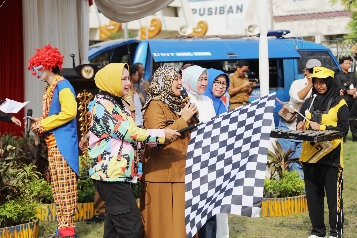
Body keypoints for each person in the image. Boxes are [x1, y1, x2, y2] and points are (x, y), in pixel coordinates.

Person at [87, 63, 179, 238]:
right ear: (110, 81)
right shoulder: (103, 106)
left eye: (128, 78)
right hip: (112, 176)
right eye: (122, 79)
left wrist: (157, 140)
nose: (128, 83)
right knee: (131, 228)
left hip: (117, 174)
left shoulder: (118, 102)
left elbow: (129, 138)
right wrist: (161, 134)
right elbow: (128, 133)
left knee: (114, 229)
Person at [140, 65, 198, 238]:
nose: (180, 83)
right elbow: (156, 138)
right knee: (161, 226)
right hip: (162, 175)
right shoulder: (154, 105)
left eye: (180, 79)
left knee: (183, 226)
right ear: (164, 82)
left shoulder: (179, 104)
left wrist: (191, 117)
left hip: (182, 172)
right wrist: (184, 119)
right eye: (175, 79)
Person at [27, 45, 79, 238]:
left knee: (65, 187)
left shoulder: (63, 85)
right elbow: (56, 114)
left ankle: (68, 231)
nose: (36, 72)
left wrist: (43, 125)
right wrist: (40, 121)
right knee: (58, 188)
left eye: (39, 67)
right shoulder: (51, 87)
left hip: (63, 144)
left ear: (49, 65)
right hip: (54, 143)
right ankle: (63, 228)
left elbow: (69, 113)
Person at [296, 67, 348, 238]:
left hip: (331, 156)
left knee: (334, 198)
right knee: (313, 197)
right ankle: (318, 231)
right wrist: (300, 125)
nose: (319, 86)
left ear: (330, 82)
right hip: (309, 157)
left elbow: (343, 129)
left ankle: (335, 232)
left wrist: (323, 127)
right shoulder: (308, 102)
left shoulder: (340, 103)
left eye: (322, 82)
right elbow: (300, 121)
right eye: (316, 82)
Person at [276, 59, 322, 179]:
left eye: (317, 71)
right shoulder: (297, 83)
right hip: (288, 126)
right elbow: (297, 98)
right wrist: (311, 84)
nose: (313, 73)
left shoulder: (321, 86)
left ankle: (302, 193)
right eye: (311, 71)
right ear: (305, 71)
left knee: (299, 161)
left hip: (305, 129)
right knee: (286, 163)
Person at [199, 68, 230, 238]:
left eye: (223, 83)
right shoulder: (203, 102)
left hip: (219, 159)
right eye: (216, 82)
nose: (220, 86)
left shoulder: (221, 104)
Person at [334, 56, 357, 141]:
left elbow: (356, 84)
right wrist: (348, 91)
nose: (349, 65)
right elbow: (339, 86)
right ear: (341, 65)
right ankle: (343, 137)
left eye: (349, 63)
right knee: (343, 119)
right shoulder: (338, 75)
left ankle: (355, 136)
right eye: (346, 63)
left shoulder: (352, 74)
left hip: (354, 100)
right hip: (344, 100)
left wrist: (354, 91)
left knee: (354, 118)